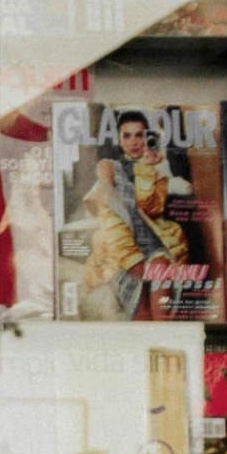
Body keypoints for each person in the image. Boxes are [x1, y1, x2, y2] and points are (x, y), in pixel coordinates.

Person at [81, 109, 191, 320]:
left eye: (139, 135)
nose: (133, 142)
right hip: (120, 250)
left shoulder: (156, 170)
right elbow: (109, 214)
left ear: (147, 138)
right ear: (119, 139)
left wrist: (148, 170)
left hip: (154, 246)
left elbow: (151, 208)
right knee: (142, 317)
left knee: (161, 274)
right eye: (127, 135)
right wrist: (131, 258)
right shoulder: (108, 166)